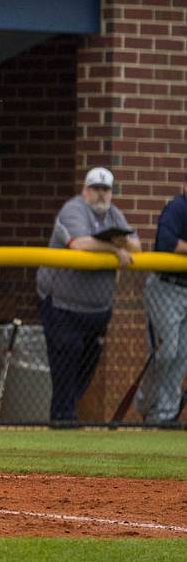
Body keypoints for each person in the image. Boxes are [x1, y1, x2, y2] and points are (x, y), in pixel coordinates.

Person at [37, 167, 140, 423]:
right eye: (95, 188)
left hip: (96, 311)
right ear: (85, 190)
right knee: (64, 367)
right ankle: (62, 421)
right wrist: (114, 249)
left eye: (106, 190)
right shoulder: (73, 209)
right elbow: (79, 244)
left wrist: (121, 244)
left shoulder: (114, 215)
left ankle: (66, 417)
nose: (101, 194)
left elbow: (136, 245)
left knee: (85, 369)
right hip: (62, 305)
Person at [139, 176, 187, 423]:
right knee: (165, 351)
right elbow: (166, 243)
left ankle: (165, 416)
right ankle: (147, 405)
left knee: (182, 355)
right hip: (166, 287)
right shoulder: (177, 208)